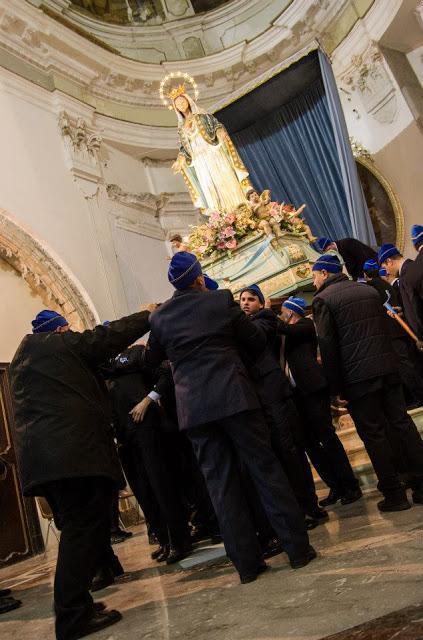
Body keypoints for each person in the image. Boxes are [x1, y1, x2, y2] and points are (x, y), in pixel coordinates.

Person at [145, 252, 315, 584]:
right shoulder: (220, 301)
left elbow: (153, 359)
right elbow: (253, 341)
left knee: (220, 485)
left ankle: (247, 565)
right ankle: (297, 550)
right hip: (235, 397)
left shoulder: (161, 318)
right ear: (198, 278)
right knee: (266, 471)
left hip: (194, 409)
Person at [10, 308, 152, 640]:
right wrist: (147, 315)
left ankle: (80, 604)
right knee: (81, 533)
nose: (72, 332)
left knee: (80, 531)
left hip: (48, 461)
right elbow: (105, 338)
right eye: (68, 329)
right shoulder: (61, 345)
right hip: (72, 457)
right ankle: (72, 617)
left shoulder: (22, 360)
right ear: (59, 331)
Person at [311, 255, 423, 512]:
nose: (313, 280)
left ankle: (394, 494)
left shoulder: (323, 300)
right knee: (402, 424)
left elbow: (328, 348)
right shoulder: (368, 290)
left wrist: (335, 389)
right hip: (388, 368)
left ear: (325, 274)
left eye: (314, 275)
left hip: (358, 378)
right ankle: (421, 484)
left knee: (373, 434)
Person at [239, 285, 328, 528]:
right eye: (242, 300)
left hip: (277, 397)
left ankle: (309, 507)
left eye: (250, 299)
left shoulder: (265, 319)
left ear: (260, 303)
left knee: (292, 453)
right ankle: (301, 508)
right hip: (263, 399)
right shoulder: (244, 324)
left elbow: (256, 336)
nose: (245, 303)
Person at [104, 344, 192, 565]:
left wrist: (147, 400)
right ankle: (163, 540)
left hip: (147, 429)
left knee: (161, 485)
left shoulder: (134, 354)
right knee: (143, 491)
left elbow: (165, 373)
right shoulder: (103, 366)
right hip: (124, 437)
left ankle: (179, 541)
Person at [278, 296, 361, 507]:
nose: (280, 315)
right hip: (297, 394)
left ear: (291, 312)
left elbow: (286, 330)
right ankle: (335, 485)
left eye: (283, 311)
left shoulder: (305, 325)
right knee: (308, 442)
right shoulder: (286, 332)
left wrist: (268, 313)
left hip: (313, 389)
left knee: (327, 436)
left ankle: (350, 485)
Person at [171, 88, 249, 212]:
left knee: (224, 178)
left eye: (182, 101)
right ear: (176, 109)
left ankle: (238, 208)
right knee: (209, 187)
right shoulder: (181, 129)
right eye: (178, 104)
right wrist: (179, 160)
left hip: (213, 152)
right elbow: (183, 148)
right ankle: (220, 215)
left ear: (188, 100)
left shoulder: (202, 116)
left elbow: (216, 125)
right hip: (199, 160)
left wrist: (219, 133)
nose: (181, 105)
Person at [363, 258, 423, 408]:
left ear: (365, 274)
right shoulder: (386, 284)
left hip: (389, 334)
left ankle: (417, 397)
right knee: (409, 364)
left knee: (403, 368)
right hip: (400, 331)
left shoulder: (369, 289)